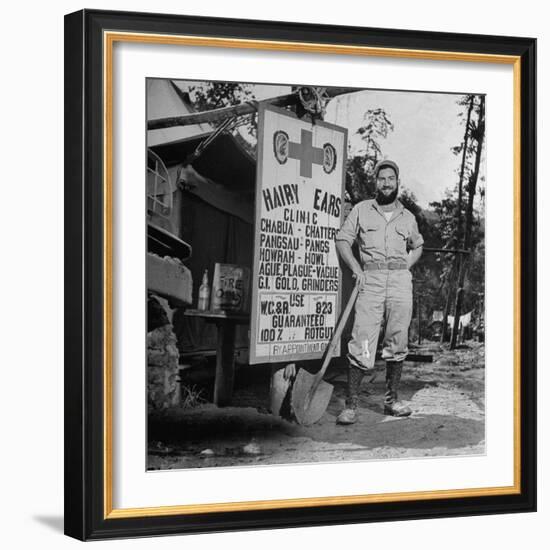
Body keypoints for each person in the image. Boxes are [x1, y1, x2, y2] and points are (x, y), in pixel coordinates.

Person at [334, 159, 424, 424]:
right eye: (382, 178)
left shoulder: (407, 217)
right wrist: (356, 269)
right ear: (376, 182)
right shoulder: (362, 210)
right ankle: (351, 406)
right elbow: (343, 240)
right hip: (371, 280)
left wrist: (406, 265)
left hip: (399, 283)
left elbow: (417, 245)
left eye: (391, 179)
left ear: (398, 182)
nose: (386, 183)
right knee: (362, 339)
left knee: (397, 340)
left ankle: (392, 401)